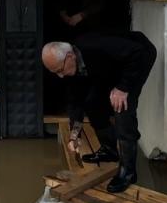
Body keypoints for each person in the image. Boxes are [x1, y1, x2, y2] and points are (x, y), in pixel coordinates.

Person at [41, 32, 157, 193]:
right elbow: (75, 103)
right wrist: (75, 135)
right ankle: (109, 150)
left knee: (121, 108)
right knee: (92, 103)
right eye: (55, 73)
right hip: (108, 67)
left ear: (70, 56)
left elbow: (138, 52)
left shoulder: (97, 46)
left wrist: (123, 87)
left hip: (138, 56)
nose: (60, 76)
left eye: (60, 70)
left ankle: (128, 172)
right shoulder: (71, 68)